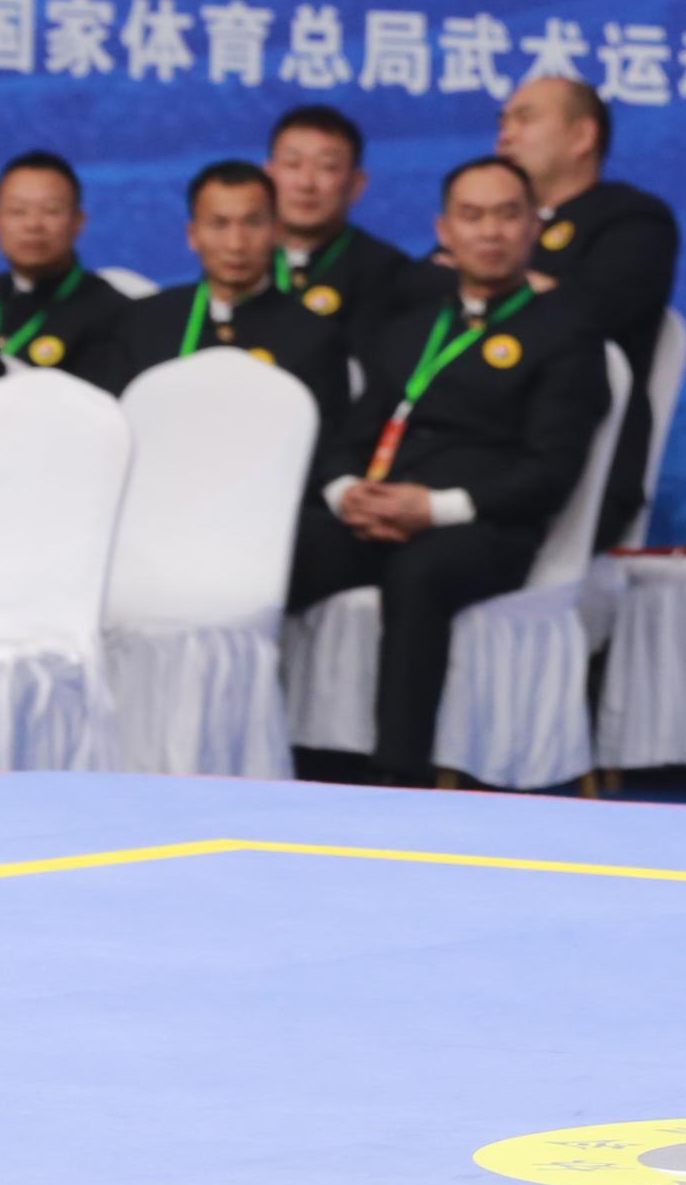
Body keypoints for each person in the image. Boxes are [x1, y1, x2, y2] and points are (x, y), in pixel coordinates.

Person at [288, 155, 611, 785]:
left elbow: (551, 472)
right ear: (444, 231)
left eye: (507, 215)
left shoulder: (567, 334)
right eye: (472, 216)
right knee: (284, 548)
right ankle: (266, 760)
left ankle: (399, 779)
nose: (490, 232)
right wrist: (348, 493)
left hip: (486, 528)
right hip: (379, 516)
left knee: (420, 571)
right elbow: (350, 437)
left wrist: (432, 509)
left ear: (534, 226)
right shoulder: (412, 325)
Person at [499, 75, 679, 547]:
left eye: (524, 119)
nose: (505, 135)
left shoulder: (633, 220)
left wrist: (498, 285)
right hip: (471, 451)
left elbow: (596, 309)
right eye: (503, 122)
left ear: (582, 136)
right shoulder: (492, 224)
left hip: (579, 467)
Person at [103, 159, 351, 431]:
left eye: (252, 223)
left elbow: (331, 445)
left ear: (277, 232)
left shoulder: (314, 337)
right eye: (219, 224)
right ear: (193, 235)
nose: (236, 244)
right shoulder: (144, 322)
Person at [0, 152, 134, 385]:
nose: (33, 225)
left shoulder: (114, 314)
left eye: (51, 210)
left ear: (78, 221)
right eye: (17, 211)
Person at [266, 104, 415, 357]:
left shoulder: (389, 274)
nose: (306, 183)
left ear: (356, 184)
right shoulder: (240, 263)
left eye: (327, 167)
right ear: (267, 177)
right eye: (292, 164)